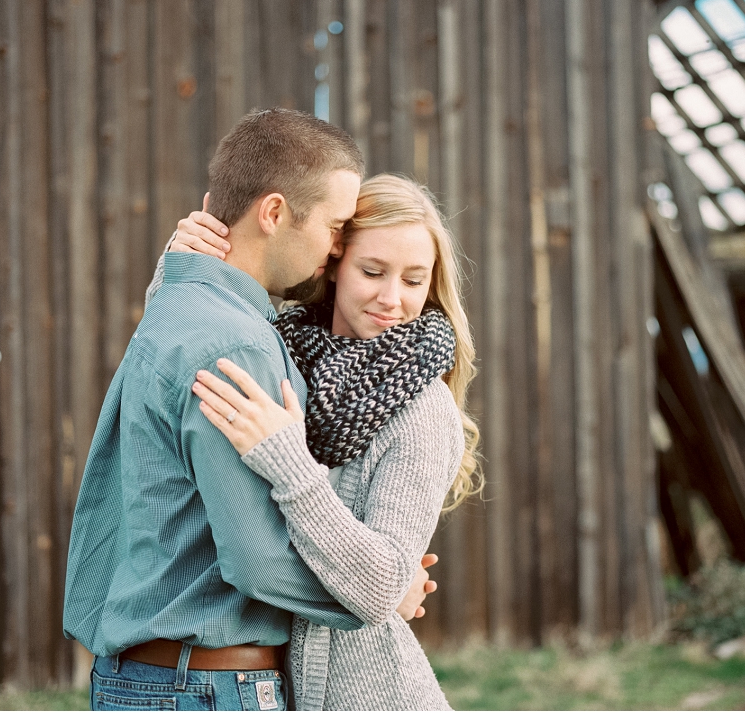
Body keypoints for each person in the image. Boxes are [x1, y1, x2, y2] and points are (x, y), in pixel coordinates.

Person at [63, 109, 433, 712]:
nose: (337, 246)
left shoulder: (180, 304)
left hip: (159, 679)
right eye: (335, 226)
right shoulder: (236, 345)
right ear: (274, 213)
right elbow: (257, 561)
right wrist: (382, 594)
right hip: (204, 687)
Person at [160, 173, 482, 710]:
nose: (391, 299)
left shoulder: (422, 409)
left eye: (414, 280)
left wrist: (290, 463)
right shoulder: (277, 350)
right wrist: (180, 269)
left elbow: (381, 582)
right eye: (372, 271)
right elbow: (183, 359)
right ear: (333, 261)